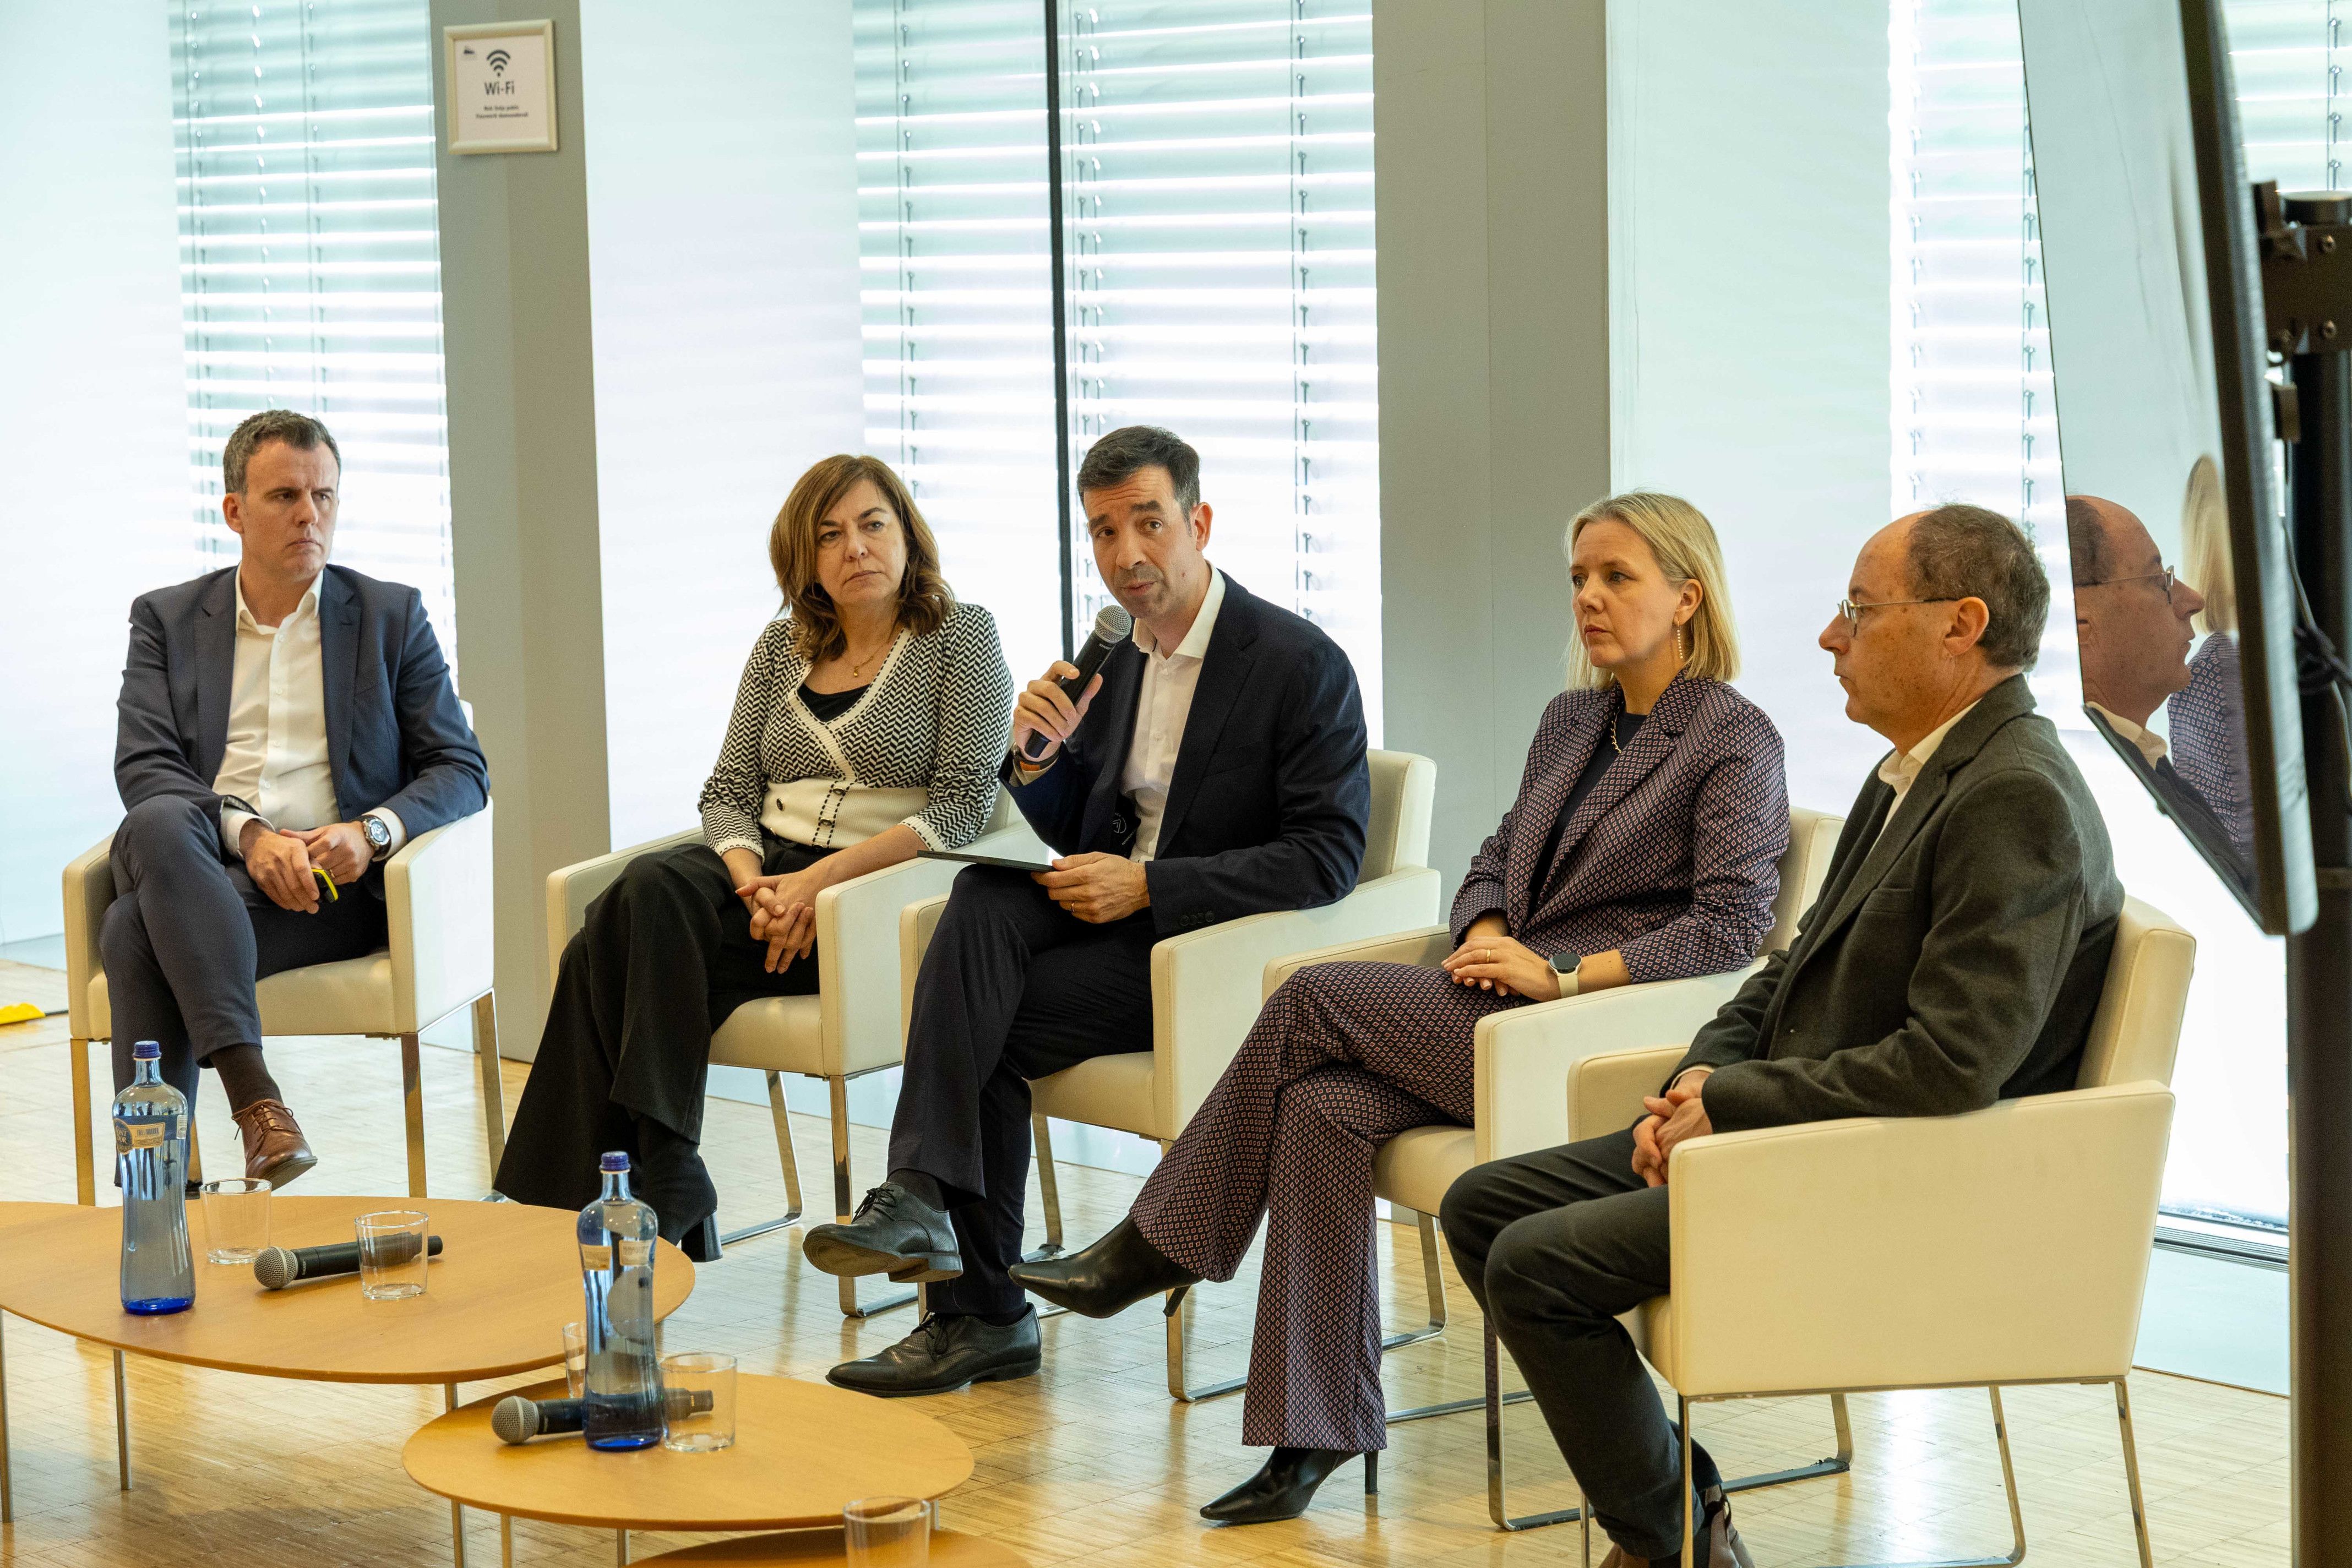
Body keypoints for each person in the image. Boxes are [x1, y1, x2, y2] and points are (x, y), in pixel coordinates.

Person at [1011, 492, 1790, 1524]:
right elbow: (1495, 856)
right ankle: (1312, 1427)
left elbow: (1731, 928)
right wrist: (1480, 929)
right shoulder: (1572, 718)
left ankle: (1166, 1238)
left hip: (1582, 1037)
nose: (1589, 599)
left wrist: (1560, 974)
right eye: (1577, 579)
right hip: (1490, 1001)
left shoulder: (1733, 738)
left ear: (1687, 595)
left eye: (1617, 578)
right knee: (1320, 1107)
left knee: (1313, 993)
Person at [1438, 504, 2123, 1568]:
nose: (1828, 636)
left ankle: (1674, 1544)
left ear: (1961, 625)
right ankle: (1679, 1513)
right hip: (1788, 1133)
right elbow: (1787, 969)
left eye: (1858, 609)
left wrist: (1733, 1107)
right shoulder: (1919, 769)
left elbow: (1953, 1063)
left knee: (1533, 1264)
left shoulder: (2013, 795)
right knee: (1484, 1204)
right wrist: (1697, 1080)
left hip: (1877, 1181)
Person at [799, 424, 1373, 1397]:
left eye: (1146, 524)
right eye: (1103, 532)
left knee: (975, 1022)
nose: (1125, 555)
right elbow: (1053, 819)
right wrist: (1034, 757)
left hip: (1200, 952)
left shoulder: (1296, 662)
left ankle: (973, 1304)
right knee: (980, 900)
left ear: (1198, 521)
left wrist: (1150, 885)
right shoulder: (1113, 657)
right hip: (1106, 924)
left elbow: (1329, 855)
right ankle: (932, 1220)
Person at [494, 455, 1014, 1260]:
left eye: (873, 524)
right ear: (804, 561)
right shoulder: (782, 646)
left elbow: (962, 806)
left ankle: (600, 1190)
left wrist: (818, 886)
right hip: (766, 879)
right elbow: (729, 789)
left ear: (908, 534)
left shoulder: (961, 638)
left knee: (608, 937)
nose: (856, 548)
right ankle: (666, 1165)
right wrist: (758, 888)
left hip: (873, 895)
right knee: (647, 892)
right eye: (829, 536)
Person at [107, 409, 489, 1189]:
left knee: (131, 929)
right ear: (235, 512)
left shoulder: (390, 617)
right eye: (285, 496)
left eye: (325, 496)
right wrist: (249, 836)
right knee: (157, 819)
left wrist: (374, 831)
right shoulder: (168, 620)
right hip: (207, 865)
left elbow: (461, 766)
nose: (310, 516)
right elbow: (144, 763)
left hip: (330, 893)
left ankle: (158, 1203)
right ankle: (260, 1106)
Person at [2067, 492, 2247, 890]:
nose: (2193, 600)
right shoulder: (2087, 788)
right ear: (2079, 621)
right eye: (2160, 582)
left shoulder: (2142, 759)